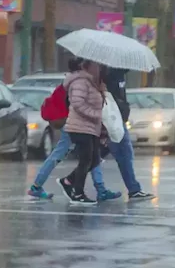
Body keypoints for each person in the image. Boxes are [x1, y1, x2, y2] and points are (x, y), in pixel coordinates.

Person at [27, 58, 120, 202]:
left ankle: (99, 188)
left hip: (78, 123)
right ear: (84, 67)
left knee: (90, 156)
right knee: (77, 156)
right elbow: (77, 103)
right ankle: (38, 186)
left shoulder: (86, 81)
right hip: (75, 123)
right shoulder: (79, 82)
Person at [57, 59, 107, 205]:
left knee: (94, 160)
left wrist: (102, 89)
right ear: (87, 66)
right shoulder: (80, 81)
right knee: (86, 160)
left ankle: (68, 181)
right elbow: (78, 103)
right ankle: (78, 193)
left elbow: (100, 103)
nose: (99, 68)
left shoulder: (93, 82)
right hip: (79, 127)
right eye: (96, 65)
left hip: (91, 128)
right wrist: (95, 114)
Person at [103, 67, 154, 200]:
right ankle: (133, 189)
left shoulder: (120, 75)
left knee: (101, 155)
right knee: (124, 154)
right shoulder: (108, 74)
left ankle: (72, 181)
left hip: (119, 120)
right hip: (113, 120)